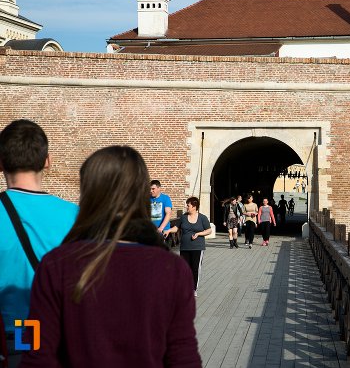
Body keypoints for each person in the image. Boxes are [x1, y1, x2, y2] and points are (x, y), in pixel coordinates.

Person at [20, 146, 201, 367]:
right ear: (140, 196)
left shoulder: (55, 264)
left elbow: (33, 349)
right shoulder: (173, 269)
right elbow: (184, 356)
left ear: (88, 194)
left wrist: (20, 343)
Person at [0, 119, 78, 368]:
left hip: (11, 338)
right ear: (47, 161)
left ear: (1, 162)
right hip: (62, 338)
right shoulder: (78, 216)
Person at [164, 197, 211, 297]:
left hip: (197, 248)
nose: (186, 207)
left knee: (195, 269)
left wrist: (199, 234)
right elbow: (176, 228)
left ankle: (194, 289)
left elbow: (209, 230)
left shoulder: (202, 218)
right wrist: (168, 230)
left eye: (188, 205)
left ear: (194, 207)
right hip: (185, 247)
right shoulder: (183, 217)